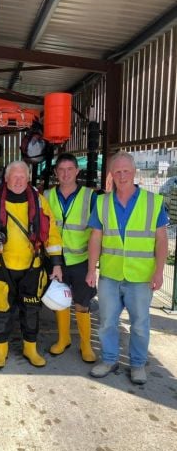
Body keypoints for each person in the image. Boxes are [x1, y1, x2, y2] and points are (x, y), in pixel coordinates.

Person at [86, 151, 168, 384]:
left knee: (140, 324)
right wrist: (92, 269)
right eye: (117, 171)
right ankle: (109, 360)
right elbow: (95, 238)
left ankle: (138, 364)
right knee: (106, 322)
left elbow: (162, 240)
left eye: (126, 171)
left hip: (141, 277)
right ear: (111, 174)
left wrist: (159, 271)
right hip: (110, 275)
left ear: (134, 173)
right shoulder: (101, 202)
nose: (122, 176)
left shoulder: (153, 202)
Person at [0, 160, 63, 368]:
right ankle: (1, 351)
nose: (18, 180)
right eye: (14, 176)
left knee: (31, 310)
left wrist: (55, 263)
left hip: (32, 267)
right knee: (1, 311)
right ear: (6, 178)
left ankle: (30, 349)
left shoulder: (39, 201)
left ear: (28, 178)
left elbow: (51, 233)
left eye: (22, 176)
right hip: (1, 266)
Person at [44, 153, 97, 362]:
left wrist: (93, 266)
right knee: (60, 300)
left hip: (81, 260)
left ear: (77, 171)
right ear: (56, 172)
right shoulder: (47, 195)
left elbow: (97, 232)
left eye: (69, 169)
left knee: (82, 303)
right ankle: (63, 339)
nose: (65, 174)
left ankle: (86, 345)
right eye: (61, 170)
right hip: (55, 261)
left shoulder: (90, 197)